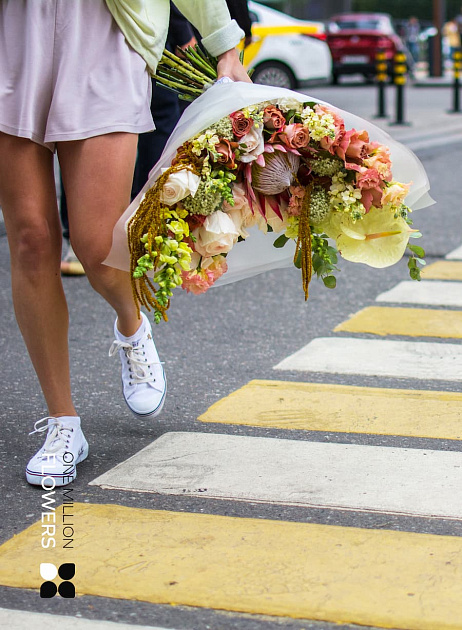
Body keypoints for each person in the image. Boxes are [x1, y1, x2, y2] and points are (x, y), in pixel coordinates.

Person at [0, 0, 250, 488]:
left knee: (97, 248)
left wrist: (225, 44)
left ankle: (132, 325)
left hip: (105, 35)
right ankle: (63, 423)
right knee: (30, 241)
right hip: (15, 33)